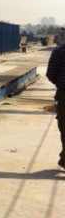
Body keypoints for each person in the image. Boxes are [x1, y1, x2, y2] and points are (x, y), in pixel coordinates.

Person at [46, 42, 65, 170]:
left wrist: (60, 84)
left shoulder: (58, 51)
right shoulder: (59, 52)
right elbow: (50, 73)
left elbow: (51, 74)